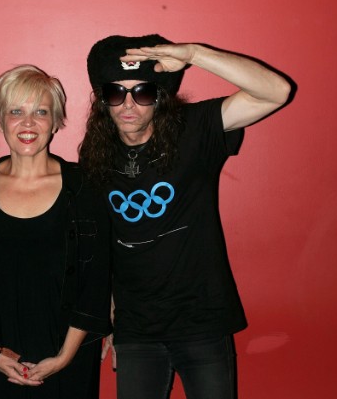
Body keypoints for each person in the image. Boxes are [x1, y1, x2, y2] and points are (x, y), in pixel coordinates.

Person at [79, 35, 291, 399]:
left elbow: (276, 92)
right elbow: (108, 241)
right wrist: (110, 316)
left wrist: (194, 54)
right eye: (116, 92)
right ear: (102, 100)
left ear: (160, 96)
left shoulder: (194, 129)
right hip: (136, 329)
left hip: (201, 322)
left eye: (143, 92)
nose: (128, 104)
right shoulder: (95, 155)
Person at [0, 65, 112, 399]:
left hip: (70, 361)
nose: (28, 123)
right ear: (0, 120)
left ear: (56, 121)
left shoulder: (84, 187)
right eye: (16, 112)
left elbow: (96, 283)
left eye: (40, 112)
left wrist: (64, 358)